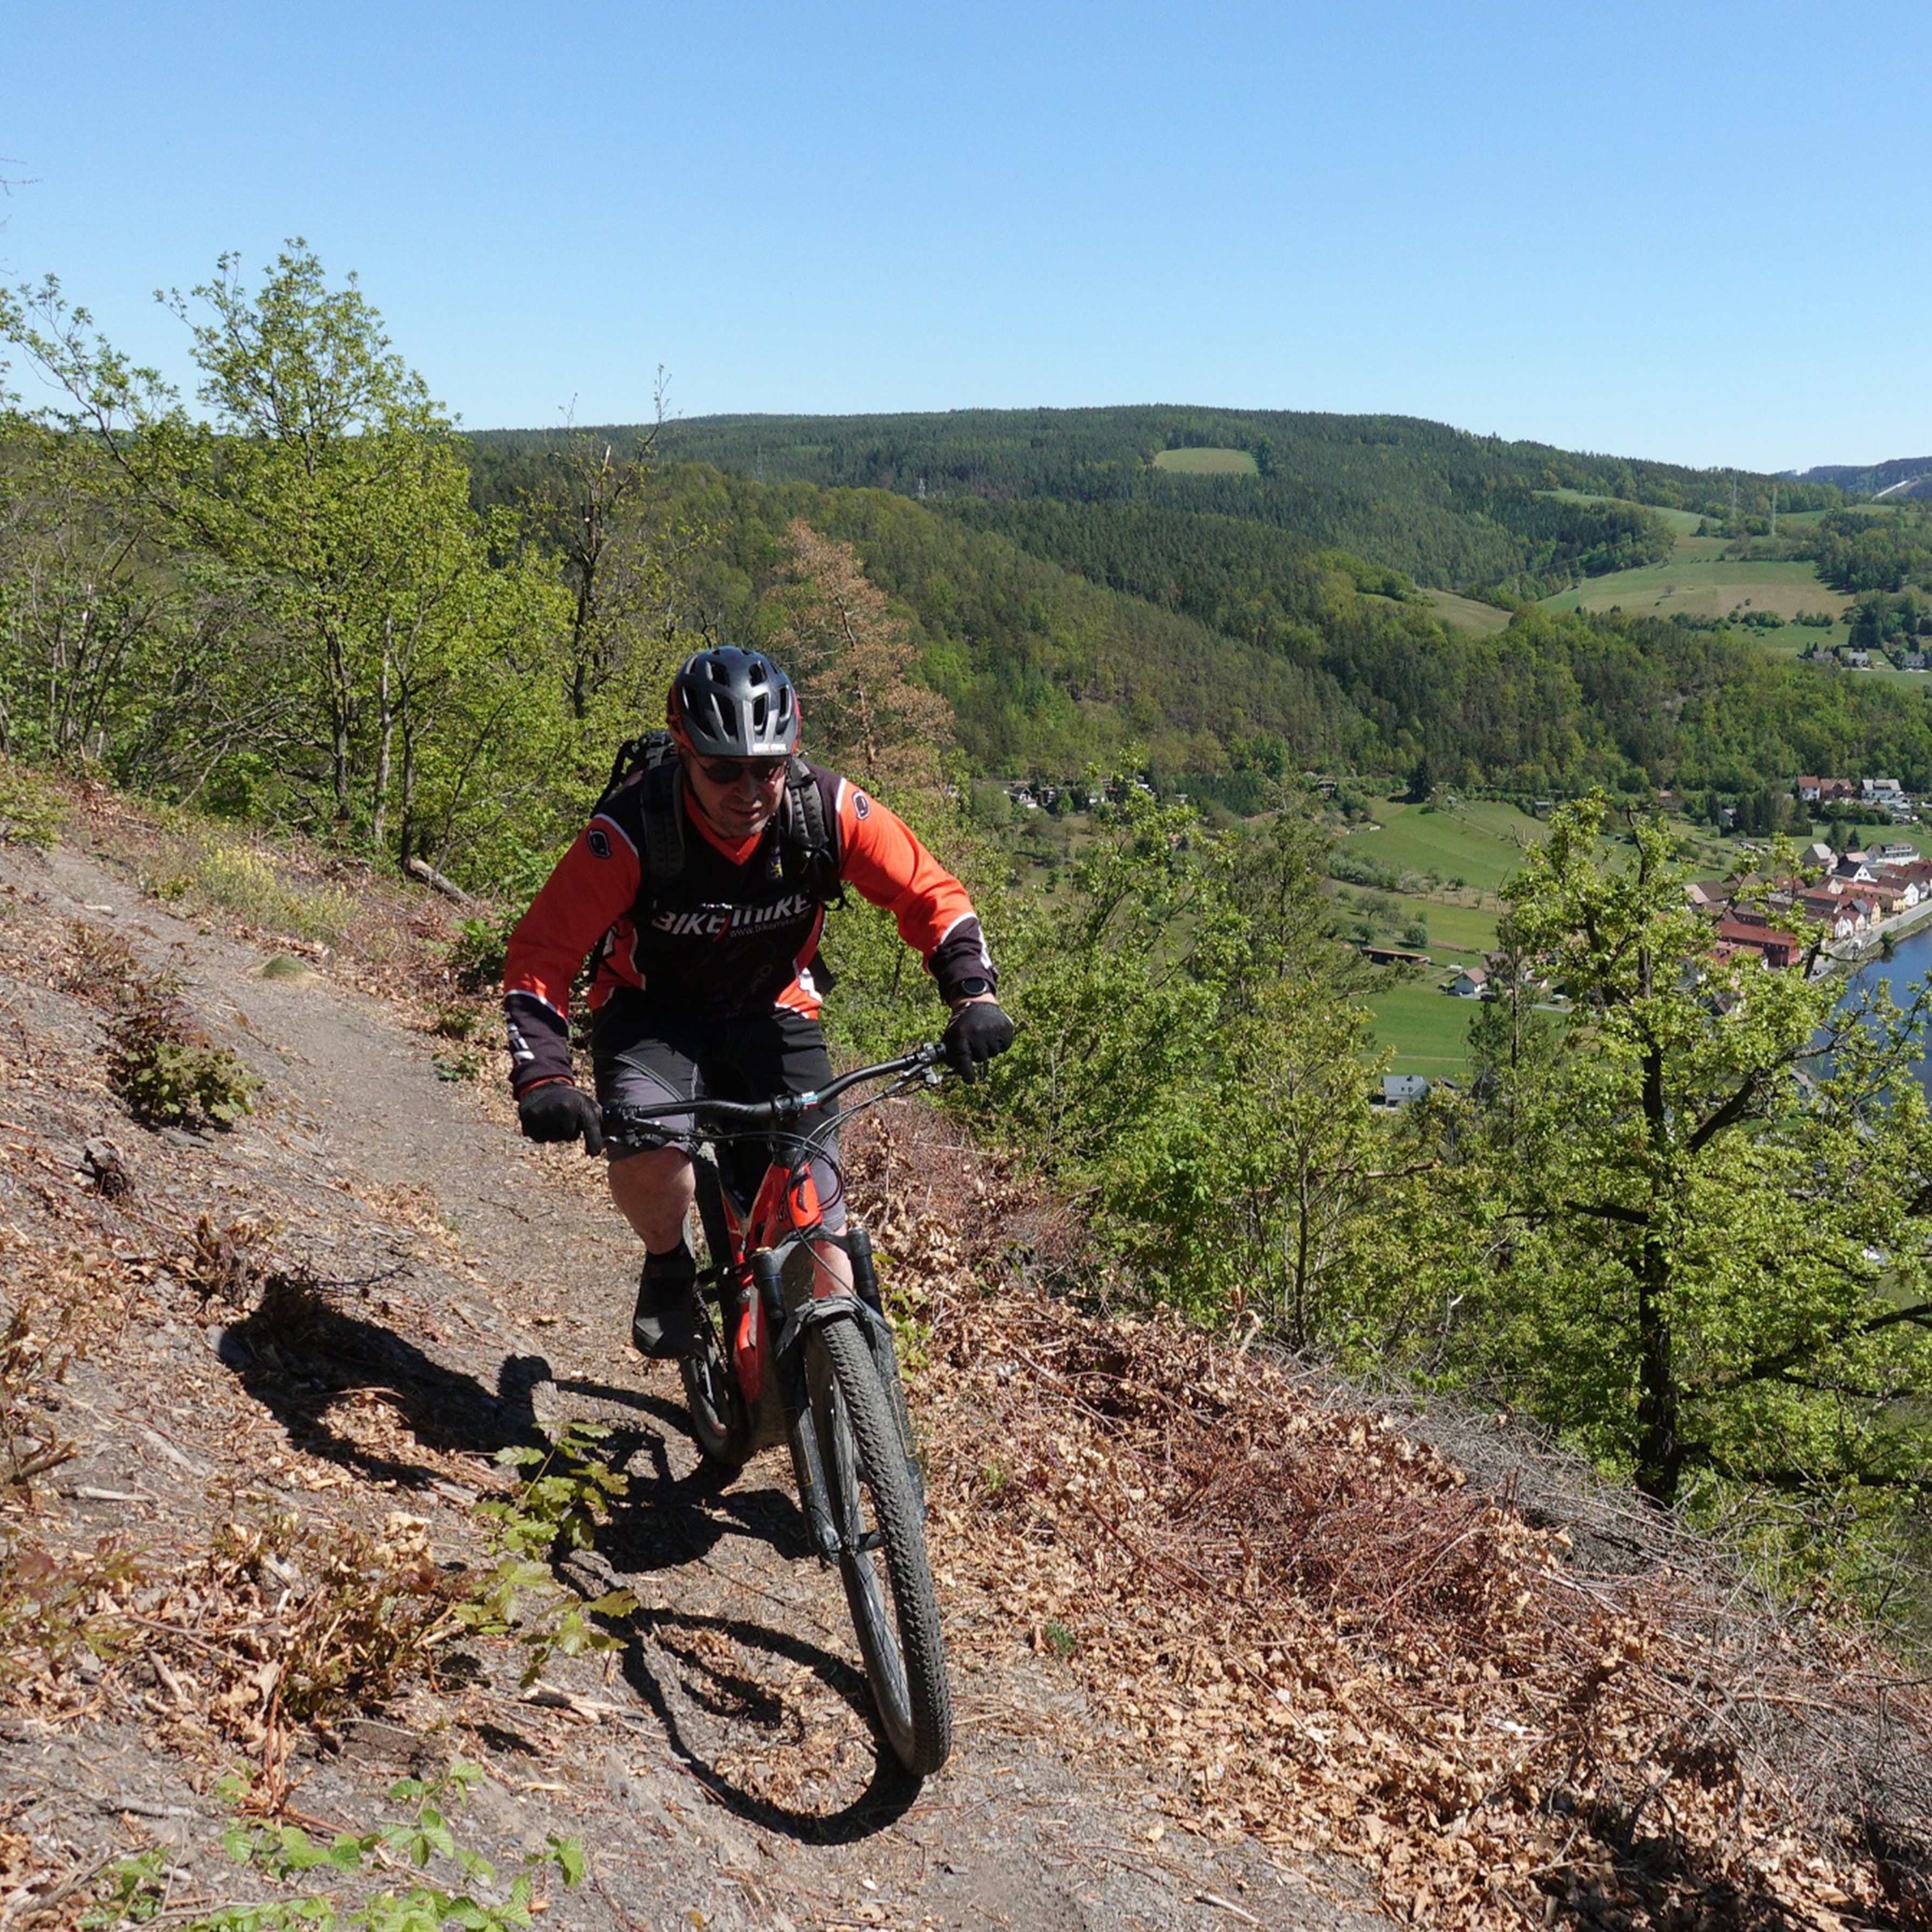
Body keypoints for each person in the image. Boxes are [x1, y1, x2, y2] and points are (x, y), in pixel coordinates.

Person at [502, 645, 1013, 1356]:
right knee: (653, 1154)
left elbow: (930, 892)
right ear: (684, 751)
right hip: (653, 1010)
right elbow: (542, 954)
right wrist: (545, 1077)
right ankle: (667, 1261)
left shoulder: (825, 810)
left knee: (821, 1218)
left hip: (773, 1007)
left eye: (768, 767)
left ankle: (841, 1401)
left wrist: (973, 996)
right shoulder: (631, 831)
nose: (750, 789)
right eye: (723, 770)